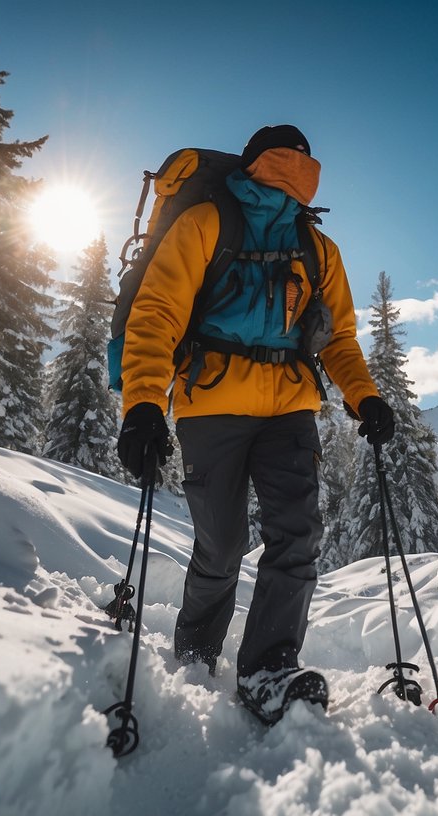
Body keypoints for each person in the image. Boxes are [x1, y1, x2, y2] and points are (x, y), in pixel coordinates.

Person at [116, 124, 394, 725]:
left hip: (289, 409)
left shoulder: (317, 249)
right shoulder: (205, 224)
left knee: (296, 535)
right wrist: (141, 403)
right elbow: (156, 316)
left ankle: (268, 668)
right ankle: (195, 653)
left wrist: (364, 397)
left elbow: (339, 338)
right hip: (212, 404)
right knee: (223, 545)